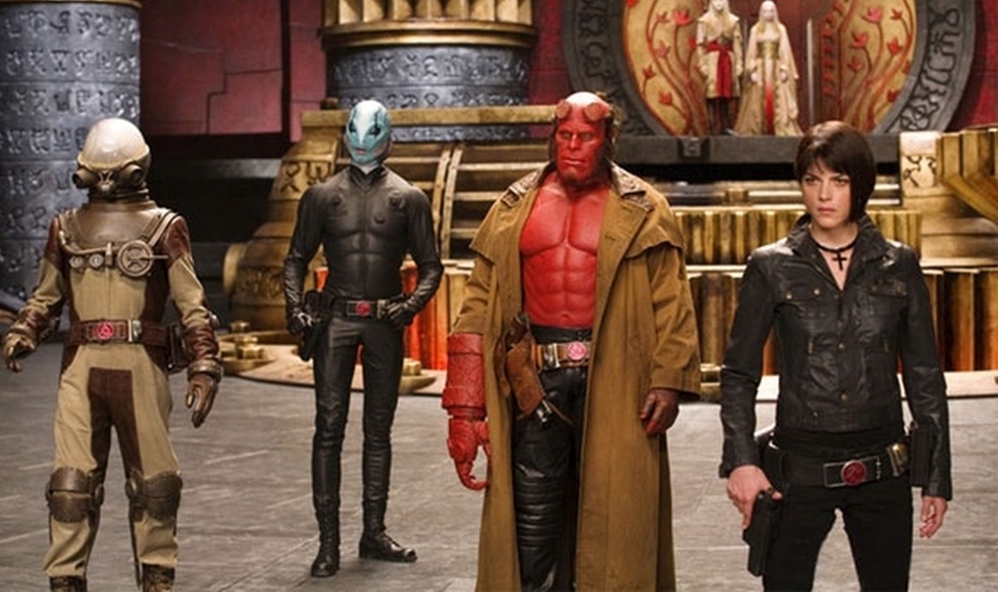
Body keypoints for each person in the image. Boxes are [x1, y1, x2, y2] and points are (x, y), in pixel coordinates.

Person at [442, 91, 702, 591]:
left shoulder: (645, 208)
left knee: (614, 512)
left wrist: (668, 380)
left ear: (608, 140)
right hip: (535, 381)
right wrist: (465, 408)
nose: (573, 146)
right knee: (532, 516)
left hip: (617, 377)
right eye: (564, 136)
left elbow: (672, 301)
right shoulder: (513, 207)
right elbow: (476, 302)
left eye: (585, 137)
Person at [719, 120, 952, 591]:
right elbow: (739, 374)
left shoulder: (898, 264)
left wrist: (936, 477)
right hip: (798, 468)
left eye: (838, 181)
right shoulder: (771, 266)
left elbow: (925, 377)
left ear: (859, 185)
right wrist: (742, 461)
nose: (824, 195)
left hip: (883, 465)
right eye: (812, 180)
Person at [0, 118, 223, 592]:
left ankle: (156, 577)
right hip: (82, 366)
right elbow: (46, 297)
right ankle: (66, 579)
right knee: (70, 487)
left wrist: (205, 365)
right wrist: (25, 329)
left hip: (141, 363)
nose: (102, 183)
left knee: (156, 485)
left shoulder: (164, 227)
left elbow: (192, 304)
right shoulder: (66, 228)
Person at [282, 99, 443, 578]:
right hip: (335, 319)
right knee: (328, 427)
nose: (364, 142)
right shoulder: (321, 196)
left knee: (378, 430)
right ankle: (328, 542)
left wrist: (409, 306)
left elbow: (431, 265)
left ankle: (373, 532)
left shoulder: (408, 198)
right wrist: (294, 308)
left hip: (384, 322)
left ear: (389, 140)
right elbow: (295, 257)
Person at [733, 0, 803, 136]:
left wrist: (784, 68)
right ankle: (756, 128)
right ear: (761, 12)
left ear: (775, 12)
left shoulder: (781, 29)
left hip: (776, 67)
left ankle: (780, 127)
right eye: (765, 11)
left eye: (771, 11)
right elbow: (751, 52)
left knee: (780, 97)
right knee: (756, 98)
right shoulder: (755, 30)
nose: (768, 13)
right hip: (760, 69)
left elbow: (785, 50)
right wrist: (752, 70)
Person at [696, 0, 743, 135]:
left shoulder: (733, 21)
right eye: (715, 0)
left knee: (728, 94)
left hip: (728, 59)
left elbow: (737, 44)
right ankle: (712, 127)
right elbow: (700, 45)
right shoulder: (704, 21)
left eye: (721, 0)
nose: (718, 3)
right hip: (713, 60)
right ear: (712, 2)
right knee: (712, 93)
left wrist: (739, 64)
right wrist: (703, 65)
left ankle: (727, 126)